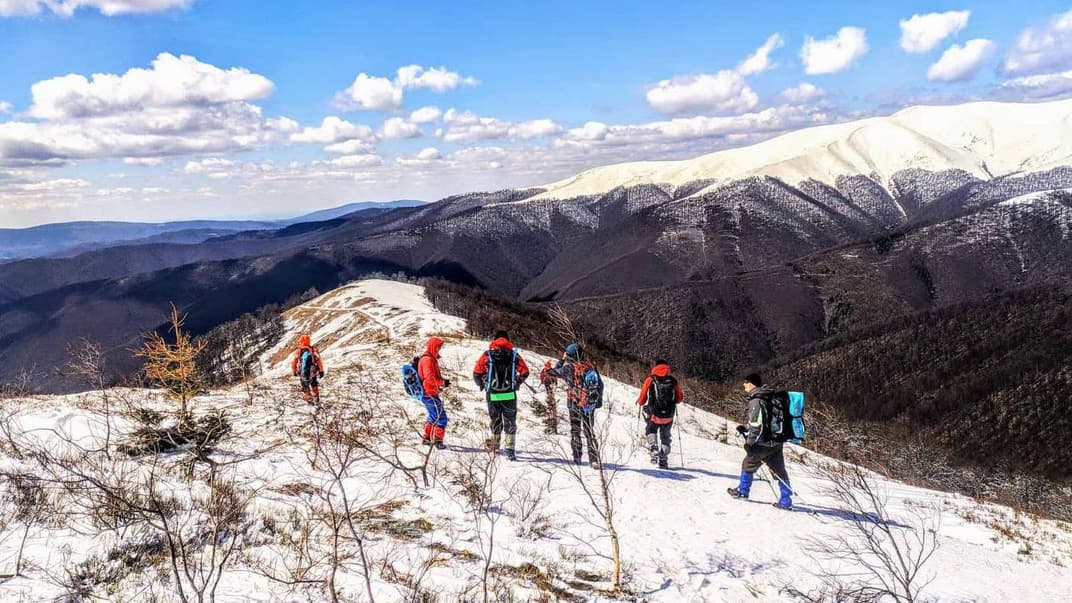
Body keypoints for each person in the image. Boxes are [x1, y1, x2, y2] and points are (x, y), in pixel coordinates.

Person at [727, 373, 793, 509]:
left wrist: (750, 443)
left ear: (752, 384)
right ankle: (786, 500)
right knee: (780, 471)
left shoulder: (756, 400)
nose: (744, 384)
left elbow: (757, 425)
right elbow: (764, 420)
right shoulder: (770, 396)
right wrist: (746, 428)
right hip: (776, 441)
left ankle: (742, 491)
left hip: (763, 443)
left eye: (746, 382)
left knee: (747, 464)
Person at [473, 330, 530, 460]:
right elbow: (525, 372)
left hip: (493, 394)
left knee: (495, 419)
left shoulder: (488, 354)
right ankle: (510, 449)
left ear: (495, 339)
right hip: (509, 394)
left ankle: (495, 444)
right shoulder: (514, 355)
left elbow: (476, 373)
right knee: (510, 421)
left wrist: (482, 385)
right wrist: (516, 384)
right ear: (508, 340)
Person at [551, 343, 602, 468]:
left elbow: (553, 372)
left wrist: (562, 360)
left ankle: (577, 457)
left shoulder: (568, 368)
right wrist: (596, 402)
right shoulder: (591, 367)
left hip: (573, 403)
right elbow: (600, 385)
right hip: (588, 406)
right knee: (589, 431)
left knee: (575, 430)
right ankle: (594, 459)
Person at [636, 359, 683, 469]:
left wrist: (641, 403)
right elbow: (680, 398)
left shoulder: (650, 379)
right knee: (666, 437)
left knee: (651, 430)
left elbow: (642, 397)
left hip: (654, 414)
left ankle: (654, 447)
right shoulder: (673, 380)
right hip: (668, 415)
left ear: (655, 367)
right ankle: (663, 460)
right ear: (667, 368)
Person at [417, 337, 450, 449]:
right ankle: (438, 440)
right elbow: (429, 379)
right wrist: (442, 382)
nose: (439, 349)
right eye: (438, 347)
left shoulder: (429, 358)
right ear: (433, 347)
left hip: (428, 393)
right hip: (429, 394)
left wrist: (440, 384)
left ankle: (427, 438)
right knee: (441, 417)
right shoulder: (428, 360)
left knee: (433, 416)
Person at [290, 334, 324, 404]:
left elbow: (294, 362)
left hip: (302, 375)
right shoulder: (313, 350)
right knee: (314, 385)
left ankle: (309, 401)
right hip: (313, 373)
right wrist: (321, 371)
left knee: (305, 387)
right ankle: (316, 398)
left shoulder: (298, 351)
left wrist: (294, 371)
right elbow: (318, 361)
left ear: (301, 341)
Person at [538, 360, 558, 434]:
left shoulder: (551, 370)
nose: (547, 366)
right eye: (546, 365)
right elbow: (541, 375)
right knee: (547, 391)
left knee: (550, 392)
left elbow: (555, 377)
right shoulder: (543, 370)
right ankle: (548, 397)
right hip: (546, 383)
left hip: (550, 383)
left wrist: (555, 382)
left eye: (547, 365)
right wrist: (542, 381)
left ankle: (550, 398)